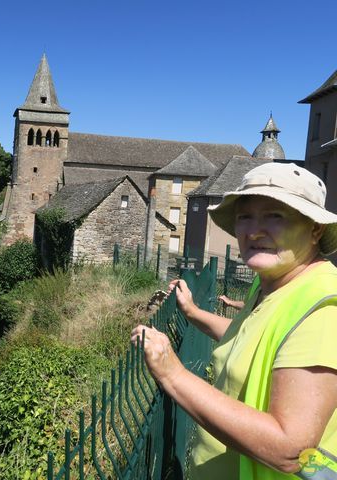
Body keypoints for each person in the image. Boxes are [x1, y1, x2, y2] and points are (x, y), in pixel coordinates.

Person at [131, 162, 337, 479]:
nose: (254, 230)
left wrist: (173, 374)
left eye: (275, 216)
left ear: (315, 229)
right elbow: (254, 341)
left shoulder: (323, 308)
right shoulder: (272, 282)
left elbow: (290, 450)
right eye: (245, 216)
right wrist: (193, 313)